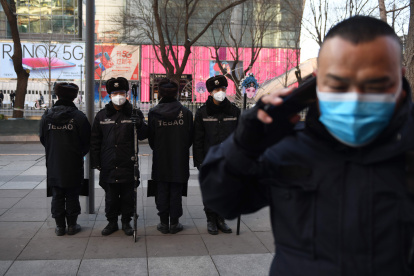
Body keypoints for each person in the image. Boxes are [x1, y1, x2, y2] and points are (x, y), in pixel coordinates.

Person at [199, 16, 414, 276]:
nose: (355, 99)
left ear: (399, 80)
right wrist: (244, 145)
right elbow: (222, 201)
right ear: (317, 81)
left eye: (375, 84)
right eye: (339, 84)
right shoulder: (289, 148)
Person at [90, 77, 148, 236]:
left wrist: (140, 124)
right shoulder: (102, 116)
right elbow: (95, 140)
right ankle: (112, 222)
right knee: (111, 197)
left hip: (128, 163)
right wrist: (96, 161)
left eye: (122, 92)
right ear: (109, 95)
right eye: (115, 93)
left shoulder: (134, 113)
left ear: (127, 94)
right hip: (108, 163)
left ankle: (126, 222)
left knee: (128, 196)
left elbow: (143, 135)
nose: (119, 96)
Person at [39, 83, 91, 236]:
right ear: (74, 97)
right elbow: (86, 141)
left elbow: (43, 138)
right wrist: (79, 153)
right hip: (74, 162)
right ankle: (72, 226)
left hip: (54, 162)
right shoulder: (79, 117)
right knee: (72, 194)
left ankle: (60, 226)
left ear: (57, 95)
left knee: (57, 194)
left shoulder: (47, 116)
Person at [193, 75, 240, 235]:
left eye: (222, 89)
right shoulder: (202, 113)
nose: (220, 92)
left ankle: (221, 219)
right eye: (216, 90)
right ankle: (211, 219)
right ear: (210, 92)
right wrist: (199, 161)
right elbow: (197, 139)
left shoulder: (234, 111)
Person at [148, 78, 193, 234]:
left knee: (162, 190)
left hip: (161, 159)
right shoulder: (186, 113)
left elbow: (151, 140)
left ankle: (163, 222)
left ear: (160, 93)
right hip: (179, 158)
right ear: (177, 93)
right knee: (176, 190)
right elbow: (189, 138)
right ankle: (174, 223)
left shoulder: (153, 113)